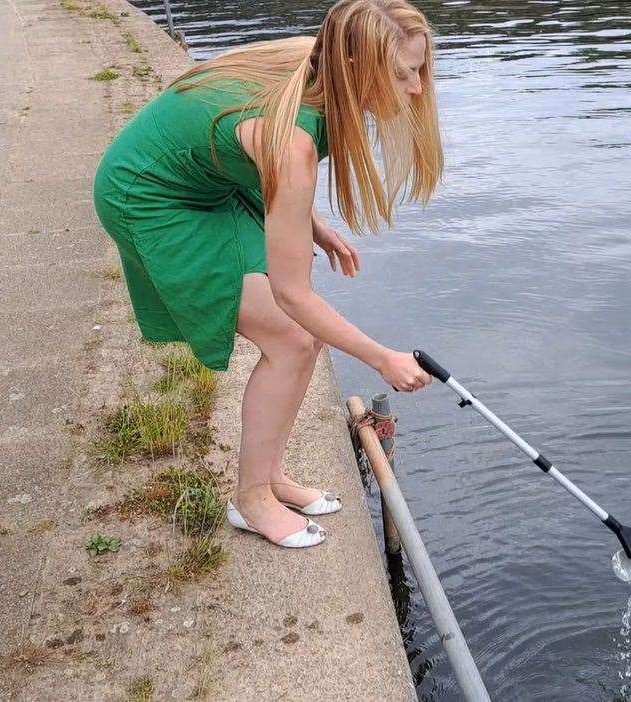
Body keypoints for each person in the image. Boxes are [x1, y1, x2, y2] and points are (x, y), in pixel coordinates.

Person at [92, 0, 442, 548]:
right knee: (292, 337)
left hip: (211, 182)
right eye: (401, 74)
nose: (417, 88)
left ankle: (271, 474)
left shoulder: (319, 64)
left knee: (299, 339)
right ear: (355, 71)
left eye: (419, 69)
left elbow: (256, 155)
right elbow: (291, 294)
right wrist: (382, 358)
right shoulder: (293, 141)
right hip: (151, 195)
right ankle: (251, 499)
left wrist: (312, 222)